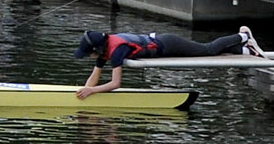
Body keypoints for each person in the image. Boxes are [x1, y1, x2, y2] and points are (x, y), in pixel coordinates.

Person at [74, 26, 263, 97]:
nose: (89, 57)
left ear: (97, 49)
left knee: (208, 50)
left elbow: (116, 83)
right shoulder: (104, 51)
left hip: (168, 44)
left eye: (87, 53)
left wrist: (92, 91)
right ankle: (245, 50)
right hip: (163, 45)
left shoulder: (117, 51)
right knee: (209, 51)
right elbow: (95, 76)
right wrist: (84, 90)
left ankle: (242, 35)